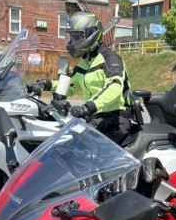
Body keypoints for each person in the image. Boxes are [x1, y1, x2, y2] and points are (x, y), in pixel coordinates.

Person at [34, 12, 132, 146]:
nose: (72, 42)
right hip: (94, 116)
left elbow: (115, 87)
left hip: (115, 118)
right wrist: (45, 84)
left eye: (76, 37)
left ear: (91, 34)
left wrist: (87, 107)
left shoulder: (110, 58)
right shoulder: (84, 63)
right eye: (71, 37)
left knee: (77, 146)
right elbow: (70, 86)